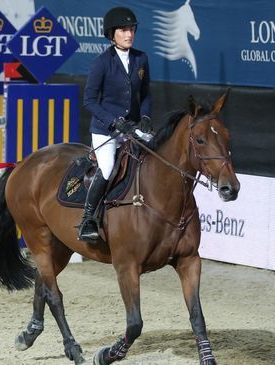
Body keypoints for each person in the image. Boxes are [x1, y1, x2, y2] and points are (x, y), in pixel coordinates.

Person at [77, 6, 153, 243]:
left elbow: (146, 93)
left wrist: (146, 117)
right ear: (112, 34)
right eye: (123, 30)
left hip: (132, 127)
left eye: (131, 29)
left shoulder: (141, 58)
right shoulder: (102, 63)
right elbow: (89, 100)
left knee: (153, 156)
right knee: (108, 167)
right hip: (105, 130)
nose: (129, 34)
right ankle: (88, 219)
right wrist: (114, 122)